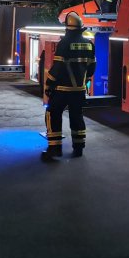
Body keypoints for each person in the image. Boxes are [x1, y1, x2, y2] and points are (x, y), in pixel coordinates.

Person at [42, 12, 96, 161]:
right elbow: (91, 68)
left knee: (53, 113)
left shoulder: (64, 43)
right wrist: (83, 81)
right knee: (77, 116)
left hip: (62, 89)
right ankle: (79, 147)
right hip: (79, 91)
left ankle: (55, 149)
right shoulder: (89, 44)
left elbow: (58, 67)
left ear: (67, 28)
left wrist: (49, 83)